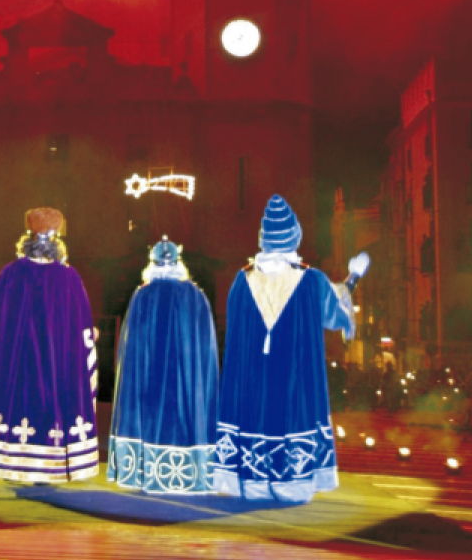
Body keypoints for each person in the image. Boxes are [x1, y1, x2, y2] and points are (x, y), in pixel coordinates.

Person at [214, 194, 369, 501]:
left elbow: (235, 339)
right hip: (293, 378)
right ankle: (292, 483)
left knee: (257, 417)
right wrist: (353, 278)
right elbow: (335, 312)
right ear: (293, 237)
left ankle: (254, 480)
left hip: (253, 379)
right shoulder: (311, 280)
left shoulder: (242, 280)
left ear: (264, 240)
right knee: (292, 417)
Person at [0, 207, 98, 483]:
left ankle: (11, 461)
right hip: (56, 362)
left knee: (14, 404)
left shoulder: (9, 275)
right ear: (57, 242)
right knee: (54, 406)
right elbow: (83, 328)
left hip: (15, 363)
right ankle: (48, 464)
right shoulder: (68, 277)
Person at [108, 237, 219, 494]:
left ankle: (145, 472)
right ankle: (192, 471)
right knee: (185, 413)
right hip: (187, 380)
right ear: (179, 263)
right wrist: (201, 379)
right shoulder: (196, 296)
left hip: (150, 377)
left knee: (150, 413)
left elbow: (130, 346)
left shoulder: (142, 295)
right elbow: (207, 348)